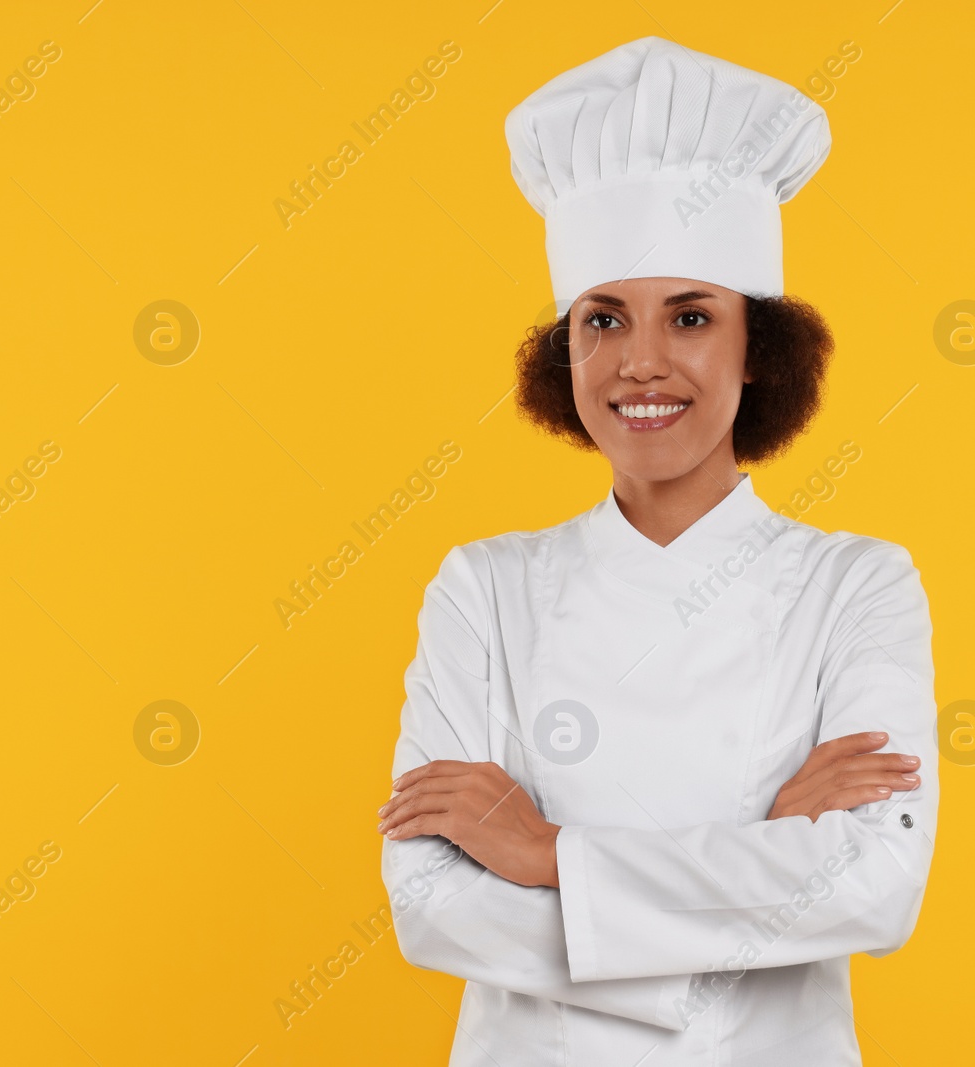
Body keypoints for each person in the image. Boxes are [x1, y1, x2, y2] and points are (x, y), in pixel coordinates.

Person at [376, 36, 938, 1065]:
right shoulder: (484, 587)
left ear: (754, 348)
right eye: (602, 319)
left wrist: (549, 855)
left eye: (689, 316)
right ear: (566, 351)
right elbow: (430, 902)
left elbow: (872, 884)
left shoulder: (858, 583)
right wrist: (763, 860)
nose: (640, 361)